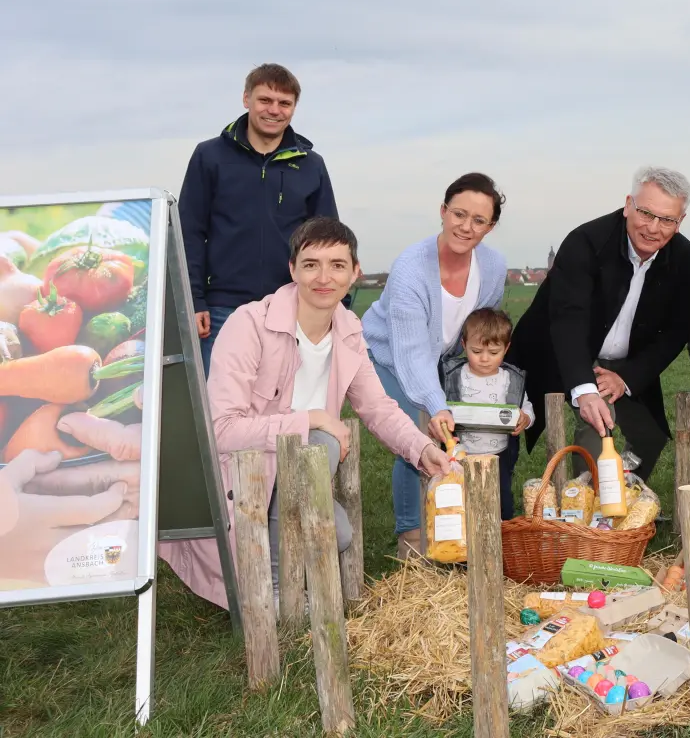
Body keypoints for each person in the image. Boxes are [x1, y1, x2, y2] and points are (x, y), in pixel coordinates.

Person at [161, 218, 451, 609]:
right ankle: (277, 592)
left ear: (355, 273)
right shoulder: (249, 324)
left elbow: (378, 407)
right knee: (321, 440)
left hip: (296, 478)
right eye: (311, 264)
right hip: (241, 480)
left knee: (340, 535)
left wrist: (421, 450)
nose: (323, 277)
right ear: (293, 269)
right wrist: (310, 418)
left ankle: (286, 576)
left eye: (337, 265)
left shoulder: (349, 331)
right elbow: (220, 429)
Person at [509, 166, 690, 481]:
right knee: (598, 421)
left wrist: (625, 378)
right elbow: (569, 319)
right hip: (562, 348)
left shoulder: (684, 256)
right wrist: (585, 391)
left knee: (649, 435)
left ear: (680, 222)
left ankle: (627, 495)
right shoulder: (585, 241)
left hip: (622, 361)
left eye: (667, 219)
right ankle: (593, 504)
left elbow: (677, 330)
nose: (653, 228)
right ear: (628, 205)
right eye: (646, 213)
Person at [363, 173, 509, 557]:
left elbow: (476, 328)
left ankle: (451, 526)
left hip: (438, 357)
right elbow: (411, 353)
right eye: (459, 214)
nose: (466, 226)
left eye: (479, 220)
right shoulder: (411, 266)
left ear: (490, 226)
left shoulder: (493, 266)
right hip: (387, 353)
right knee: (415, 430)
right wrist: (434, 400)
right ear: (443, 212)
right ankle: (411, 538)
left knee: (445, 429)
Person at [178, 64, 339, 372]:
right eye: (265, 100)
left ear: (294, 108)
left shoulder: (311, 165)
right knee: (221, 407)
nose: (274, 110)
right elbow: (190, 233)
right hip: (222, 308)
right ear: (246, 99)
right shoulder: (209, 156)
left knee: (284, 406)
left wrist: (329, 305)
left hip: (290, 308)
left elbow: (328, 242)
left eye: (284, 103)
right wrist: (195, 300)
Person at [440, 307, 532, 462]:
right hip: (460, 454)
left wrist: (526, 418)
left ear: (506, 348)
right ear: (464, 344)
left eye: (494, 353)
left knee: (500, 487)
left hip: (499, 455)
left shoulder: (510, 379)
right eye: (476, 351)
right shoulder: (453, 375)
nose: (484, 359)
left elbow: (526, 406)